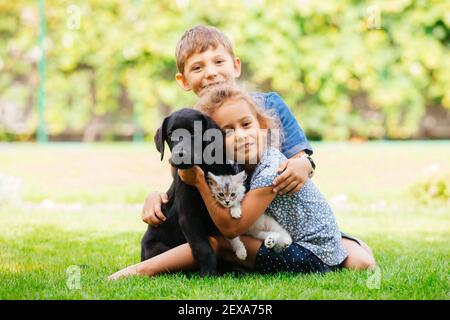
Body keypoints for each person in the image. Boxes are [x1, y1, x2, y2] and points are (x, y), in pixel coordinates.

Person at [141, 25, 374, 269]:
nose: (210, 73)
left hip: (282, 216)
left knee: (362, 263)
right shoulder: (192, 123)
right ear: (183, 80)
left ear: (236, 66)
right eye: (198, 67)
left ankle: (341, 243)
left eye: (219, 61)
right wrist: (156, 196)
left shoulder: (268, 104)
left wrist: (303, 163)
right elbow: (183, 181)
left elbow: (301, 157)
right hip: (234, 219)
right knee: (221, 238)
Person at [107, 86, 375, 280]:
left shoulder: (271, 168)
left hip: (310, 255)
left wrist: (200, 181)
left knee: (217, 241)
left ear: (262, 125)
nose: (241, 136)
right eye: (228, 131)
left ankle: (141, 270)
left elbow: (233, 225)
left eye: (247, 124)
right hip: (296, 241)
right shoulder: (240, 167)